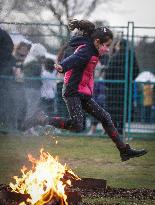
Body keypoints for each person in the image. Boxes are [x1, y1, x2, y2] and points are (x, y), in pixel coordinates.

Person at [23, 19, 147, 162]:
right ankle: (42, 119)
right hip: (73, 91)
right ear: (97, 42)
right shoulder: (87, 51)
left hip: (83, 93)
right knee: (77, 125)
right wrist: (62, 66)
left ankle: (124, 151)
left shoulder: (93, 48)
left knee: (105, 117)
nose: (107, 49)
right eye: (106, 46)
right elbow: (75, 58)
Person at [105, 39, 139, 135]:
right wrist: (129, 80)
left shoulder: (115, 57)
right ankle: (122, 129)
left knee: (114, 109)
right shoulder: (131, 56)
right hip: (126, 87)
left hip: (114, 88)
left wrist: (109, 84)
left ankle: (115, 130)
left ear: (119, 45)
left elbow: (108, 73)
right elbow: (136, 70)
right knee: (124, 109)